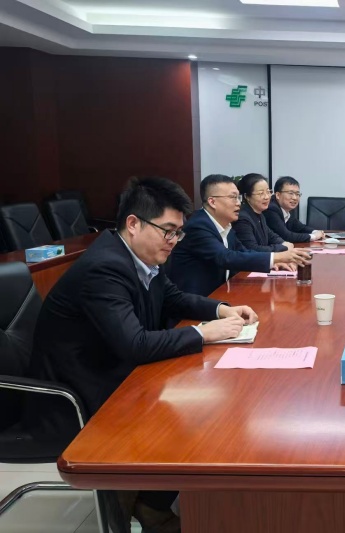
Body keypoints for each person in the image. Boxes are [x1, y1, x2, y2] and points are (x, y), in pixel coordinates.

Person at [30, 176, 258, 532]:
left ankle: (151, 503)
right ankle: (132, 503)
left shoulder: (140, 256)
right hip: (75, 391)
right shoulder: (105, 267)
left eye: (178, 233)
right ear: (134, 223)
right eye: (168, 231)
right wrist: (202, 333)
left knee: (203, 398)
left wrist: (221, 309)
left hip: (113, 370)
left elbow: (174, 298)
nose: (174, 241)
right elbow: (134, 345)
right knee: (193, 408)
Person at [170, 174, 311, 297]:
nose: (238, 203)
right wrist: (278, 257)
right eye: (233, 198)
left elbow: (243, 251)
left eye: (238, 197)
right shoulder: (199, 225)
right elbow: (225, 257)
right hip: (198, 302)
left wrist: (274, 263)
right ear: (212, 202)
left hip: (222, 294)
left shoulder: (226, 224)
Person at [233, 173, 294, 253]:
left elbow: (271, 236)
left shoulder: (259, 214)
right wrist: (283, 247)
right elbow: (252, 249)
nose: (267, 197)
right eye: (261, 193)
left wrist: (283, 243)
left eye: (268, 192)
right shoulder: (242, 219)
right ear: (246, 196)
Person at [264, 176, 325, 243]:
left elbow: (300, 227)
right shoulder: (271, 209)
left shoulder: (286, 208)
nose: (295, 198)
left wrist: (316, 232)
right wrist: (314, 236)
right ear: (278, 195)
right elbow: (286, 236)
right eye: (291, 193)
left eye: (297, 194)